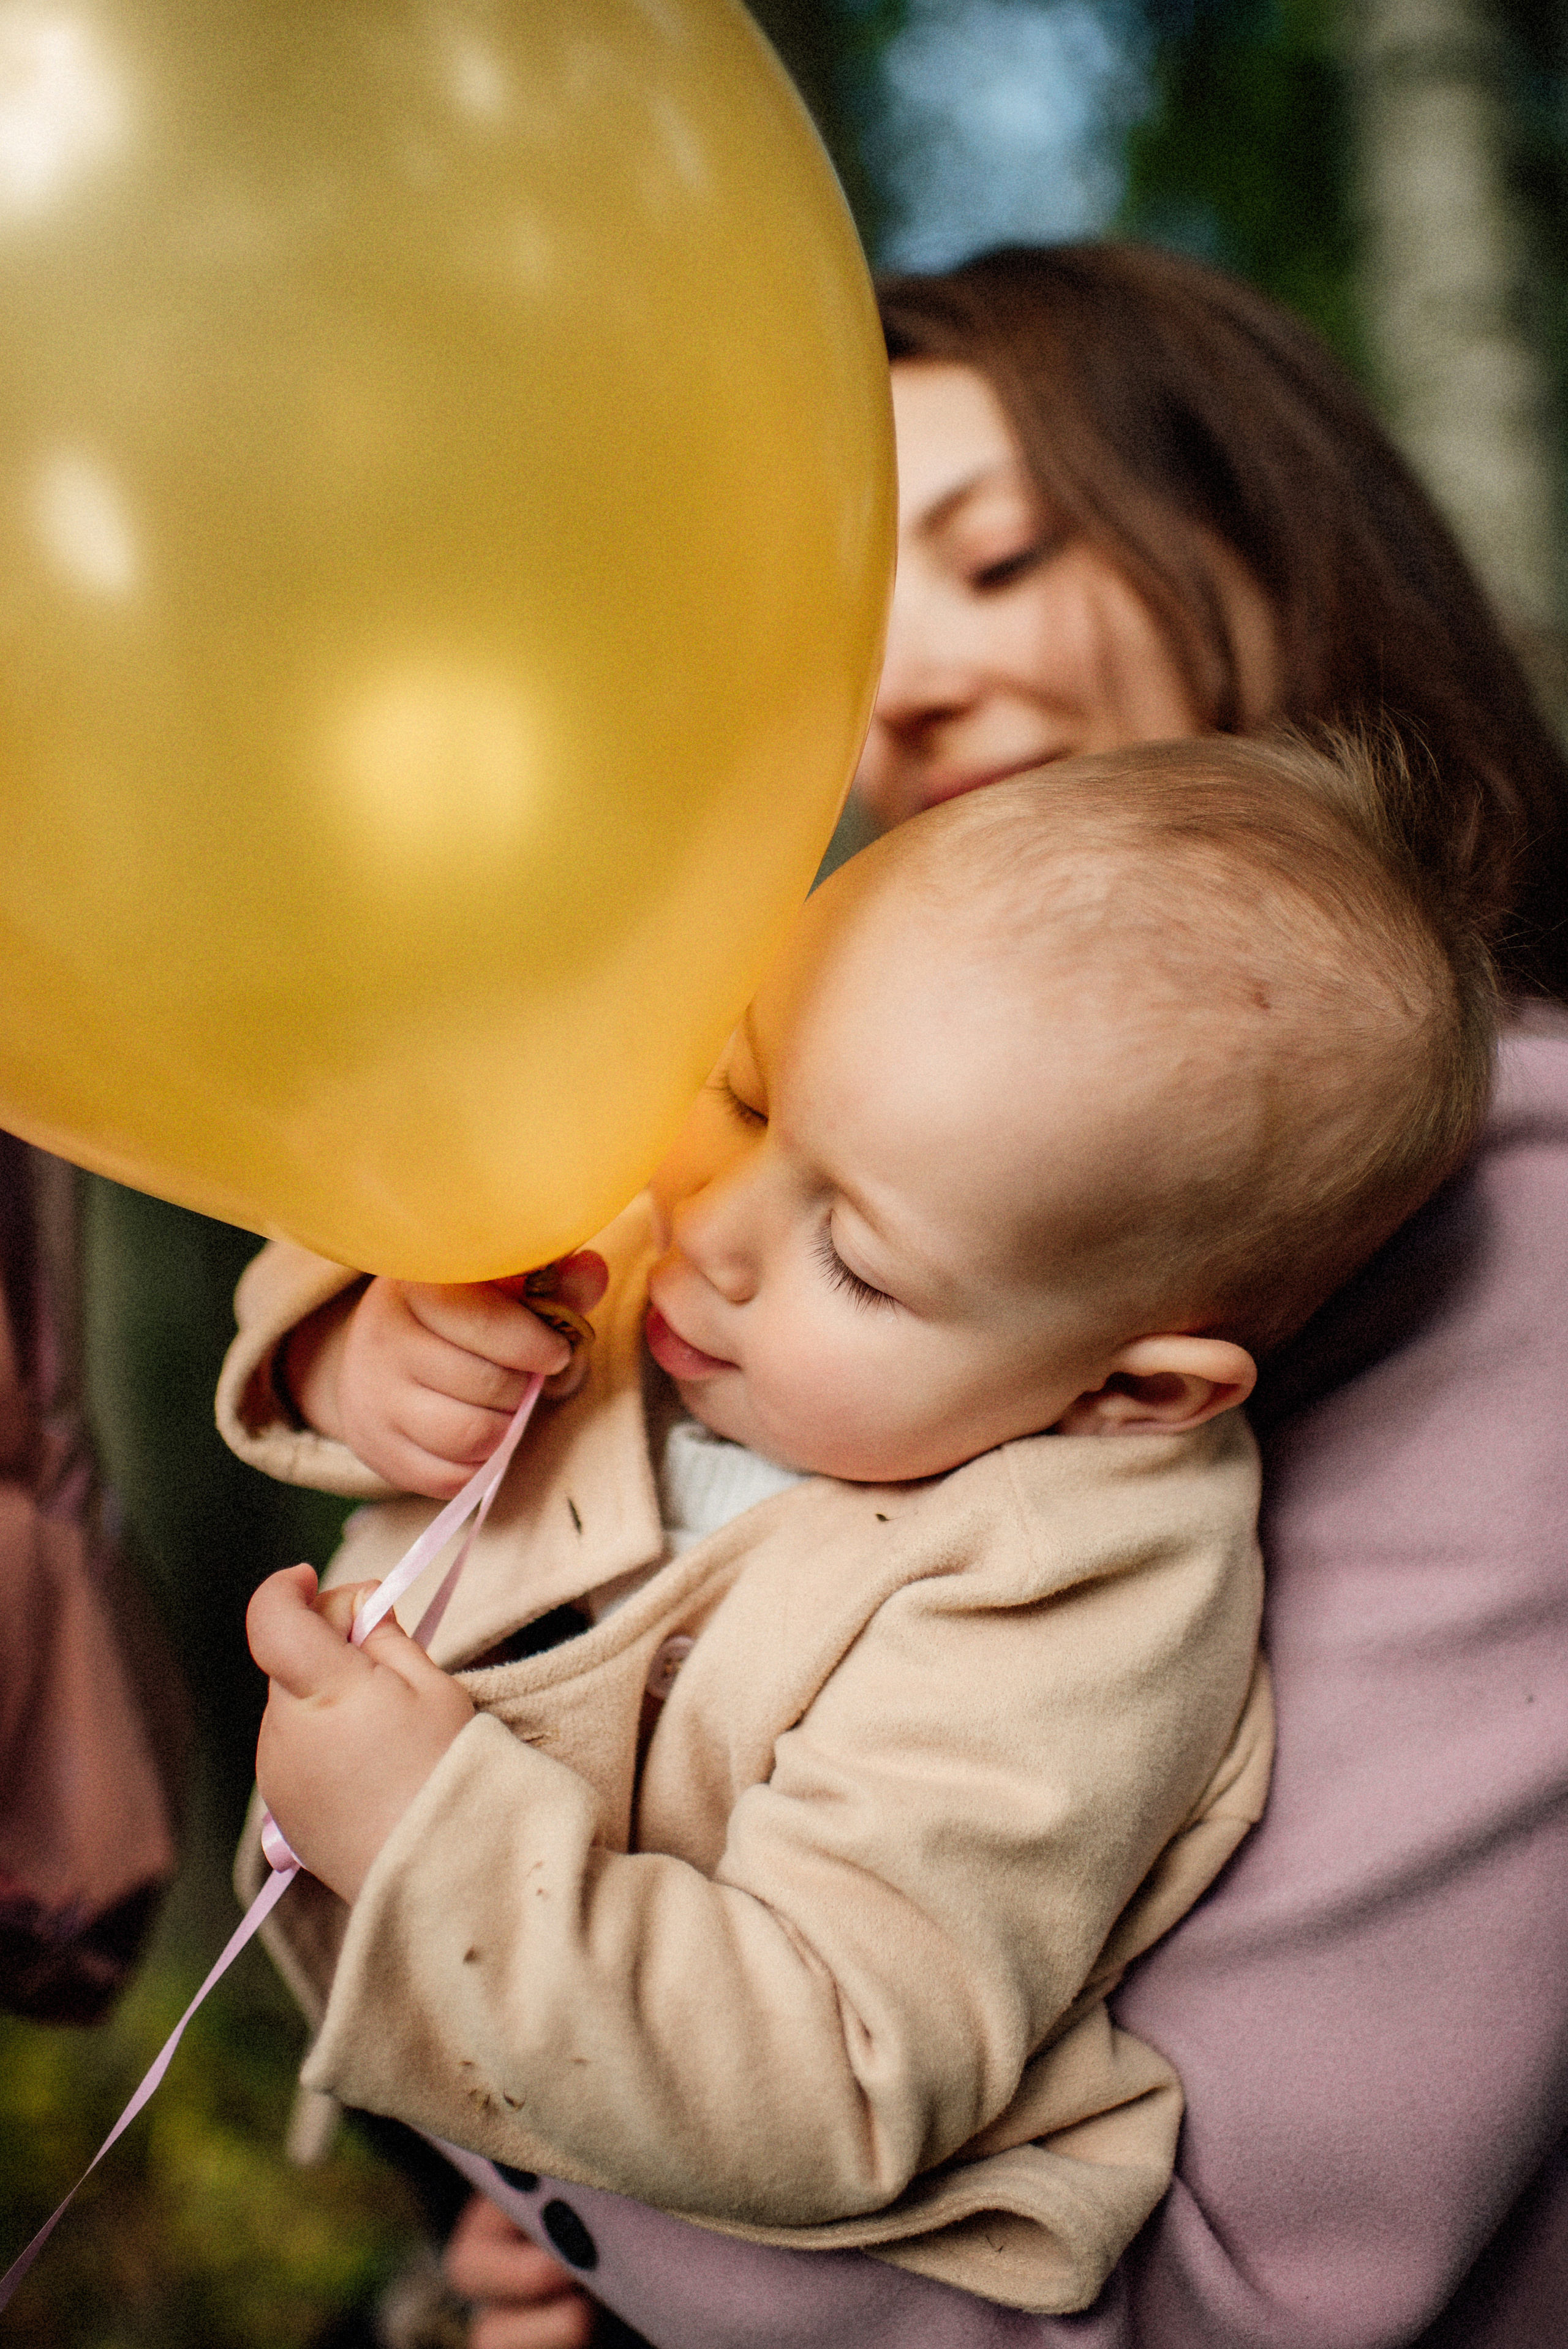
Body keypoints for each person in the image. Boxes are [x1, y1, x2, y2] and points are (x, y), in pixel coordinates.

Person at [401, 244, 1568, 2349]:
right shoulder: (815, 1136)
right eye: (833, 621)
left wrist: (577, 2159)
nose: (898, 688)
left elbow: (1257, 2275)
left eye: (997, 556)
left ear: (1267, 527)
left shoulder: (1519, 1208)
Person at [229, 736, 1487, 2324]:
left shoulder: (1070, 1590)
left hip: (769, 2255)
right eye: (745, 1087)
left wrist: (430, 1838)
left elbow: (827, 2064)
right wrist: (361, 1346)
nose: (718, 1227)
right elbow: (371, 1213)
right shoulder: (707, 1208)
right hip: (482, 2091)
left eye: (865, 1267)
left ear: (1131, 1389)